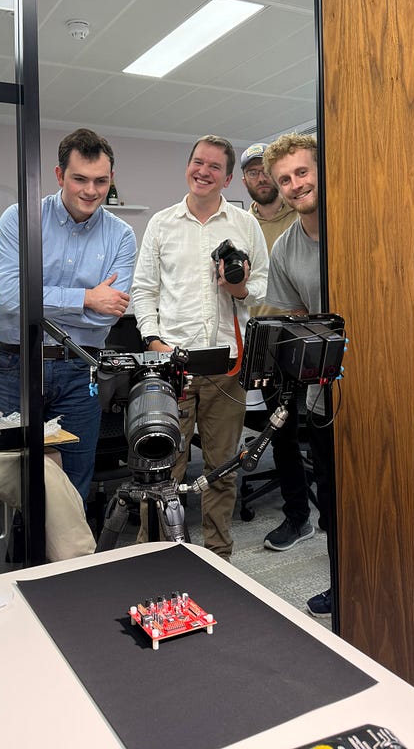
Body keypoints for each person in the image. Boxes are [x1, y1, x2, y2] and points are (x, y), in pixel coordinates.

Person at [131, 134, 269, 559]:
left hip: (226, 368)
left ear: (227, 179)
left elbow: (261, 287)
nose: (203, 171)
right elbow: (143, 290)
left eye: (214, 167)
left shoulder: (245, 224)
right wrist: (154, 341)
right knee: (161, 469)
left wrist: (238, 287)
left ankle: (217, 555)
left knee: (222, 469)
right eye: (197, 162)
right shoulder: (162, 222)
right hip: (173, 365)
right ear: (188, 166)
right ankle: (153, 554)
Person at [0, 127, 136, 503]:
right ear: (58, 176)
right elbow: (10, 297)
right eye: (79, 179)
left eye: (101, 181)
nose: (91, 190)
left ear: (111, 179)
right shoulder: (19, 218)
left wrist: (33, 300)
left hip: (78, 370)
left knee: (72, 487)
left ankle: (66, 563)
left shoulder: (121, 236)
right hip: (15, 366)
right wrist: (87, 298)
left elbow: (107, 317)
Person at [261, 131, 334, 617]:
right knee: (331, 494)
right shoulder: (286, 248)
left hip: (388, 381)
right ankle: (342, 577)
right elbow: (292, 320)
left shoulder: (355, 219)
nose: (294, 185)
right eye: (285, 179)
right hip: (326, 391)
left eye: (302, 172)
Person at [241, 142, 313, 553]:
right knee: (280, 432)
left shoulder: (302, 214)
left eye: (267, 171)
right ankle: (298, 516)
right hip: (266, 340)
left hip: (309, 331)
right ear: (245, 180)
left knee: (327, 434)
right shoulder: (237, 223)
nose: (263, 179)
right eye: (253, 172)